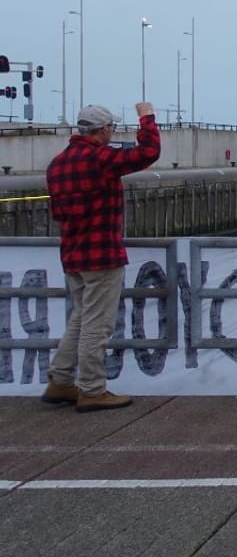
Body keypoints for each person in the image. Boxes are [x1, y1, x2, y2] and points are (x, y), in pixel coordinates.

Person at [43, 102, 161, 412]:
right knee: (97, 324)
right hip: (102, 255)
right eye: (111, 128)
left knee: (80, 319)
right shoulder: (100, 158)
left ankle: (60, 380)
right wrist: (147, 118)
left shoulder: (57, 164)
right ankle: (92, 389)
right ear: (104, 129)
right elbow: (147, 153)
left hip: (72, 253)